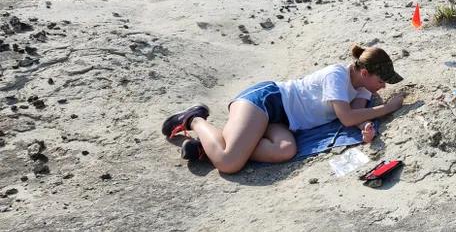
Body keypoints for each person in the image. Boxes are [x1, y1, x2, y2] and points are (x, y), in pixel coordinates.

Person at [161, 45, 405, 175]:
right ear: (365, 73)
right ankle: (194, 119)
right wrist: (387, 108)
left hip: (283, 123)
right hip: (267, 101)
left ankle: (207, 147)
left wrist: (366, 127)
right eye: (381, 81)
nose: (382, 87)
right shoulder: (337, 75)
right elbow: (347, 116)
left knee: (285, 150)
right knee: (229, 162)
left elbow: (357, 115)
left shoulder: (363, 88)